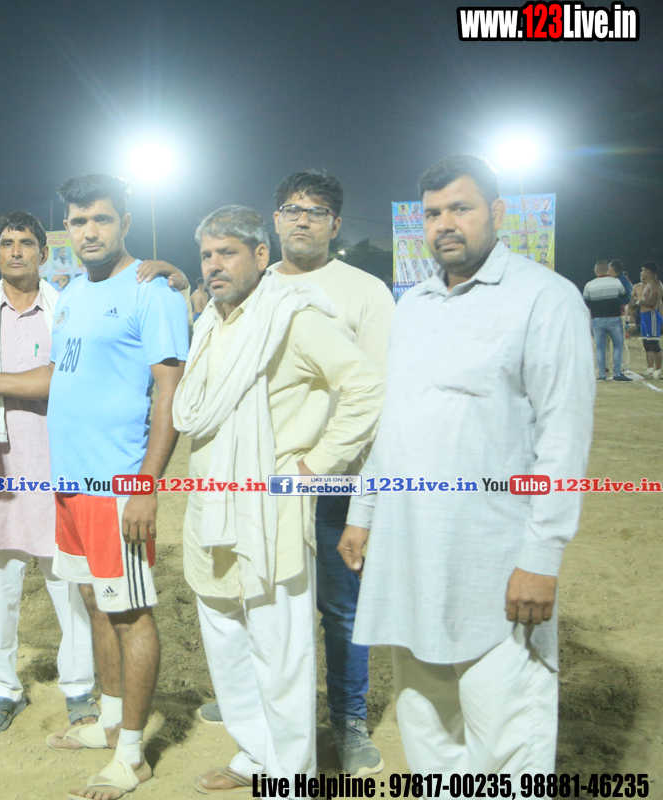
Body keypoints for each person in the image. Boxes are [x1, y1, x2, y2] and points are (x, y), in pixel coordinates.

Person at [339, 154, 595, 775]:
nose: (445, 224)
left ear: (497, 213)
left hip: (494, 558)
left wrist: (541, 557)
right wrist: (364, 511)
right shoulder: (415, 305)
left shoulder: (545, 298)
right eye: (432, 213)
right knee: (426, 724)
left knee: (508, 738)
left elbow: (563, 438)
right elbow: (395, 419)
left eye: (461, 208)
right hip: (410, 549)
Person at [0, 175, 188, 799]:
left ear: (124, 222)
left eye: (101, 219)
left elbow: (169, 392)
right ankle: (110, 722)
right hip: (68, 484)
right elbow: (60, 375)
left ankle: (133, 754)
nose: (89, 232)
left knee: (131, 614)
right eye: (78, 221)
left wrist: (145, 484)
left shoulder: (151, 291)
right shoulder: (69, 296)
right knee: (94, 603)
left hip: (117, 484)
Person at [175, 204, 383, 787]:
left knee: (280, 652)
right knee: (225, 640)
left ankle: (291, 777)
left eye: (228, 252)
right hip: (209, 504)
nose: (214, 265)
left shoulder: (292, 317)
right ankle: (255, 755)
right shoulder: (209, 322)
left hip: (272, 510)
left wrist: (316, 466)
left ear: (261, 255)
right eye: (207, 255)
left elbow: (367, 387)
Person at [263, 171, 393, 775]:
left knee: (340, 610)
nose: (302, 219)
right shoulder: (254, 285)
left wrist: (362, 498)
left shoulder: (366, 291)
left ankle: (349, 719)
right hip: (266, 481)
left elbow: (380, 397)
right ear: (275, 219)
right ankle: (263, 709)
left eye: (315, 211)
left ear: (336, 224)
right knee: (266, 602)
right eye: (291, 209)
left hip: (336, 481)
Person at [0, 211, 97, 736]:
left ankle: (79, 688)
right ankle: (3, 690)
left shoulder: (69, 310)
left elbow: (60, 382)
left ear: (44, 253)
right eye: (7, 243)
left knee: (68, 588)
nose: (16, 251)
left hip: (59, 473)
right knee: (0, 593)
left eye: (27, 243)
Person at [583, 261, 631, 381]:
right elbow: (622, 295)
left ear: (596, 270)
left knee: (600, 347)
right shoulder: (616, 282)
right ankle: (617, 373)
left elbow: (585, 302)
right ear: (607, 270)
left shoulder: (589, 284)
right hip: (614, 318)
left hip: (597, 319)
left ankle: (602, 374)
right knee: (618, 345)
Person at [632, 262, 662, 378]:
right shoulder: (649, 284)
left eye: (642, 270)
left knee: (654, 344)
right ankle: (650, 369)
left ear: (648, 272)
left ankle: (658, 370)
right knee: (646, 344)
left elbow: (653, 303)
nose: (641, 273)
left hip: (651, 315)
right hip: (644, 316)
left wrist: (639, 302)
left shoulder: (656, 284)